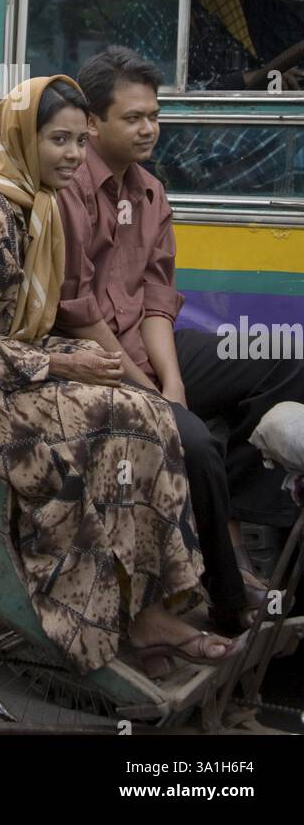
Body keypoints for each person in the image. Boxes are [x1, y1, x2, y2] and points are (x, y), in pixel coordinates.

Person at [0, 75, 239, 674]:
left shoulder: (31, 206)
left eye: (77, 141)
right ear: (22, 140)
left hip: (10, 378)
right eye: (57, 140)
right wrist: (64, 362)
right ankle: (111, 615)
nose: (72, 154)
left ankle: (147, 606)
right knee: (132, 416)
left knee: (146, 413)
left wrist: (73, 361)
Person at [57, 46, 304, 634]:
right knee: (190, 439)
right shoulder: (67, 191)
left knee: (280, 358)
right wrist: (155, 392)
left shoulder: (150, 192)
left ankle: (242, 524)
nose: (150, 129)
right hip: (87, 354)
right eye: (133, 118)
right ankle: (225, 596)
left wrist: (171, 379)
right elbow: (80, 311)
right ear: (92, 122)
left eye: (154, 114)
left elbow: (156, 300)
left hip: (141, 347)